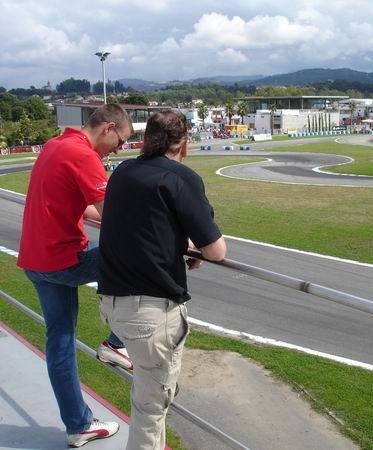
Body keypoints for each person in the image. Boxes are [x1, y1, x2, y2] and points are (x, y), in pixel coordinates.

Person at [98, 110, 227, 450]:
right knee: (150, 410)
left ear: (146, 139)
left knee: (148, 395)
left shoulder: (123, 171)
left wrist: (179, 244)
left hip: (113, 305)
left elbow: (143, 226)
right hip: (150, 315)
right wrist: (194, 247)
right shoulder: (181, 178)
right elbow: (216, 251)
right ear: (183, 142)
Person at [17, 104, 134, 448]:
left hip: (35, 262)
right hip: (61, 261)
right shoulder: (84, 155)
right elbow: (119, 217)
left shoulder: (55, 145)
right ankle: (115, 343)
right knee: (139, 258)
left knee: (60, 342)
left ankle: (78, 425)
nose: (118, 150)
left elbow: (77, 204)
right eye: (120, 141)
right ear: (108, 128)